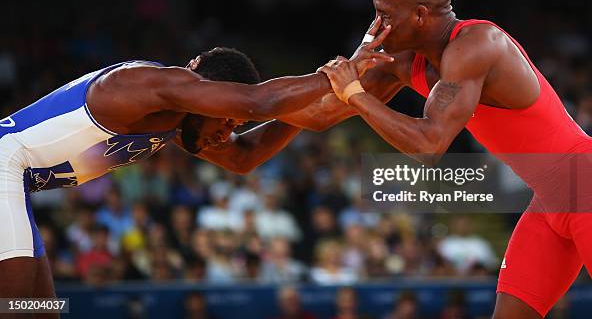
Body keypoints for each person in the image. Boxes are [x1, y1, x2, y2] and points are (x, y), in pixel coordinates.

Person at [289, 0, 592, 318]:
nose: (376, 25)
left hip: (590, 181)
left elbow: (428, 145)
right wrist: (238, 123)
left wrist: (356, 93)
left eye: (384, 13)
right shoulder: (407, 63)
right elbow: (320, 114)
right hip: (550, 199)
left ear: (420, 15)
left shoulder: (476, 44)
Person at [0, 36, 391, 305]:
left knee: (39, 310)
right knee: (14, 307)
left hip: (15, 182)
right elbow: (259, 102)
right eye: (225, 121)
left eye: (232, 127)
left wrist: (351, 93)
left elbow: (245, 157)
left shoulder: (171, 122)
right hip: (4, 165)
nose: (226, 135)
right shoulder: (145, 84)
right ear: (206, 93)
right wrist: (339, 72)